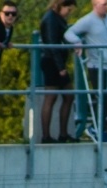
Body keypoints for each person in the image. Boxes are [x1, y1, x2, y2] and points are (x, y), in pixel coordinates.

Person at [64, 0, 107, 143]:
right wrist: (77, 42)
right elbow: (69, 33)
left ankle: (96, 128)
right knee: (103, 97)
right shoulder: (87, 20)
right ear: (95, 5)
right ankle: (97, 129)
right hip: (97, 65)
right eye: (104, 4)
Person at [39, 0, 78, 144]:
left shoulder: (58, 19)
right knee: (51, 97)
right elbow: (52, 44)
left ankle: (63, 133)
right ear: (60, 6)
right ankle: (46, 136)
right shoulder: (50, 19)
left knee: (69, 96)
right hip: (51, 62)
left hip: (58, 61)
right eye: (68, 9)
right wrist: (60, 67)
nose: (69, 13)